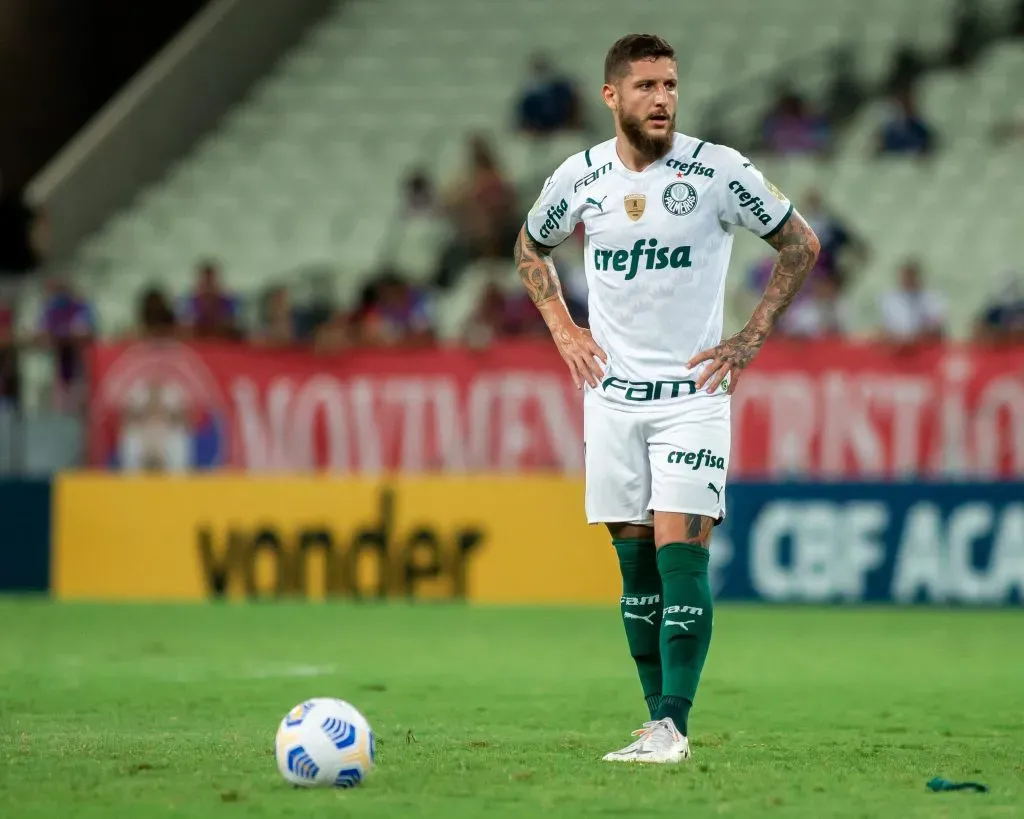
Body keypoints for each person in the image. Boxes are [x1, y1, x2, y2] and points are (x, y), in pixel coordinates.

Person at [515, 34, 820, 764]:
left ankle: (675, 725)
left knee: (683, 554)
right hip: (612, 398)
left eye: (671, 85)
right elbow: (530, 248)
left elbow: (800, 244)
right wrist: (563, 329)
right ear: (611, 96)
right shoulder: (579, 177)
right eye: (647, 85)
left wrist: (749, 336)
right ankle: (657, 725)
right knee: (635, 567)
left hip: (691, 396)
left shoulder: (718, 171)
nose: (663, 99)